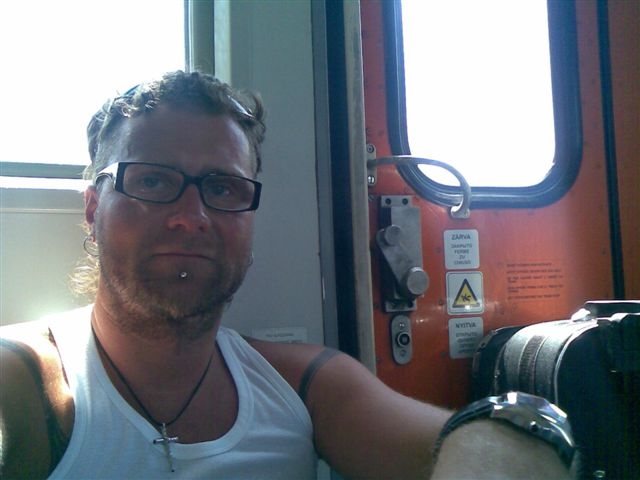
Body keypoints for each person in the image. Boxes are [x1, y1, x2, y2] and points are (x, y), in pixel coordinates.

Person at [0, 71, 572, 479]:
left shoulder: (305, 387)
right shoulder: (29, 382)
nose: (191, 217)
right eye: (151, 180)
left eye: (223, 188)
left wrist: (509, 445)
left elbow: (486, 437)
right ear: (93, 209)